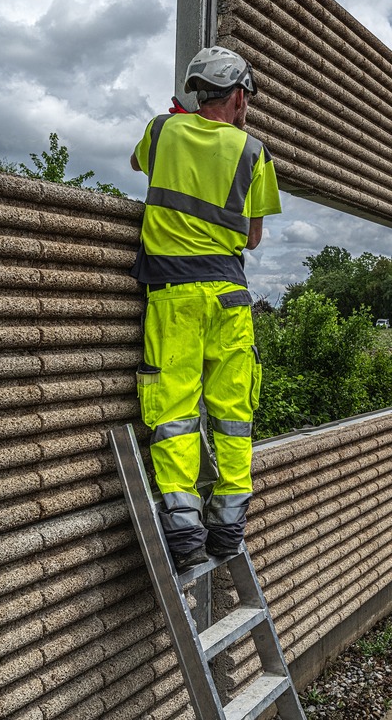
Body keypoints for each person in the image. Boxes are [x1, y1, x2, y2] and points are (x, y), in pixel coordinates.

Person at [129, 45, 282, 569]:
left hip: (173, 296)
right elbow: (254, 238)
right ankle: (228, 525)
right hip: (230, 297)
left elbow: (138, 164)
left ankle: (184, 533)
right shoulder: (254, 152)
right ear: (239, 95)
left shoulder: (160, 131)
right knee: (233, 414)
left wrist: (177, 127)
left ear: (199, 91)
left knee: (173, 412)